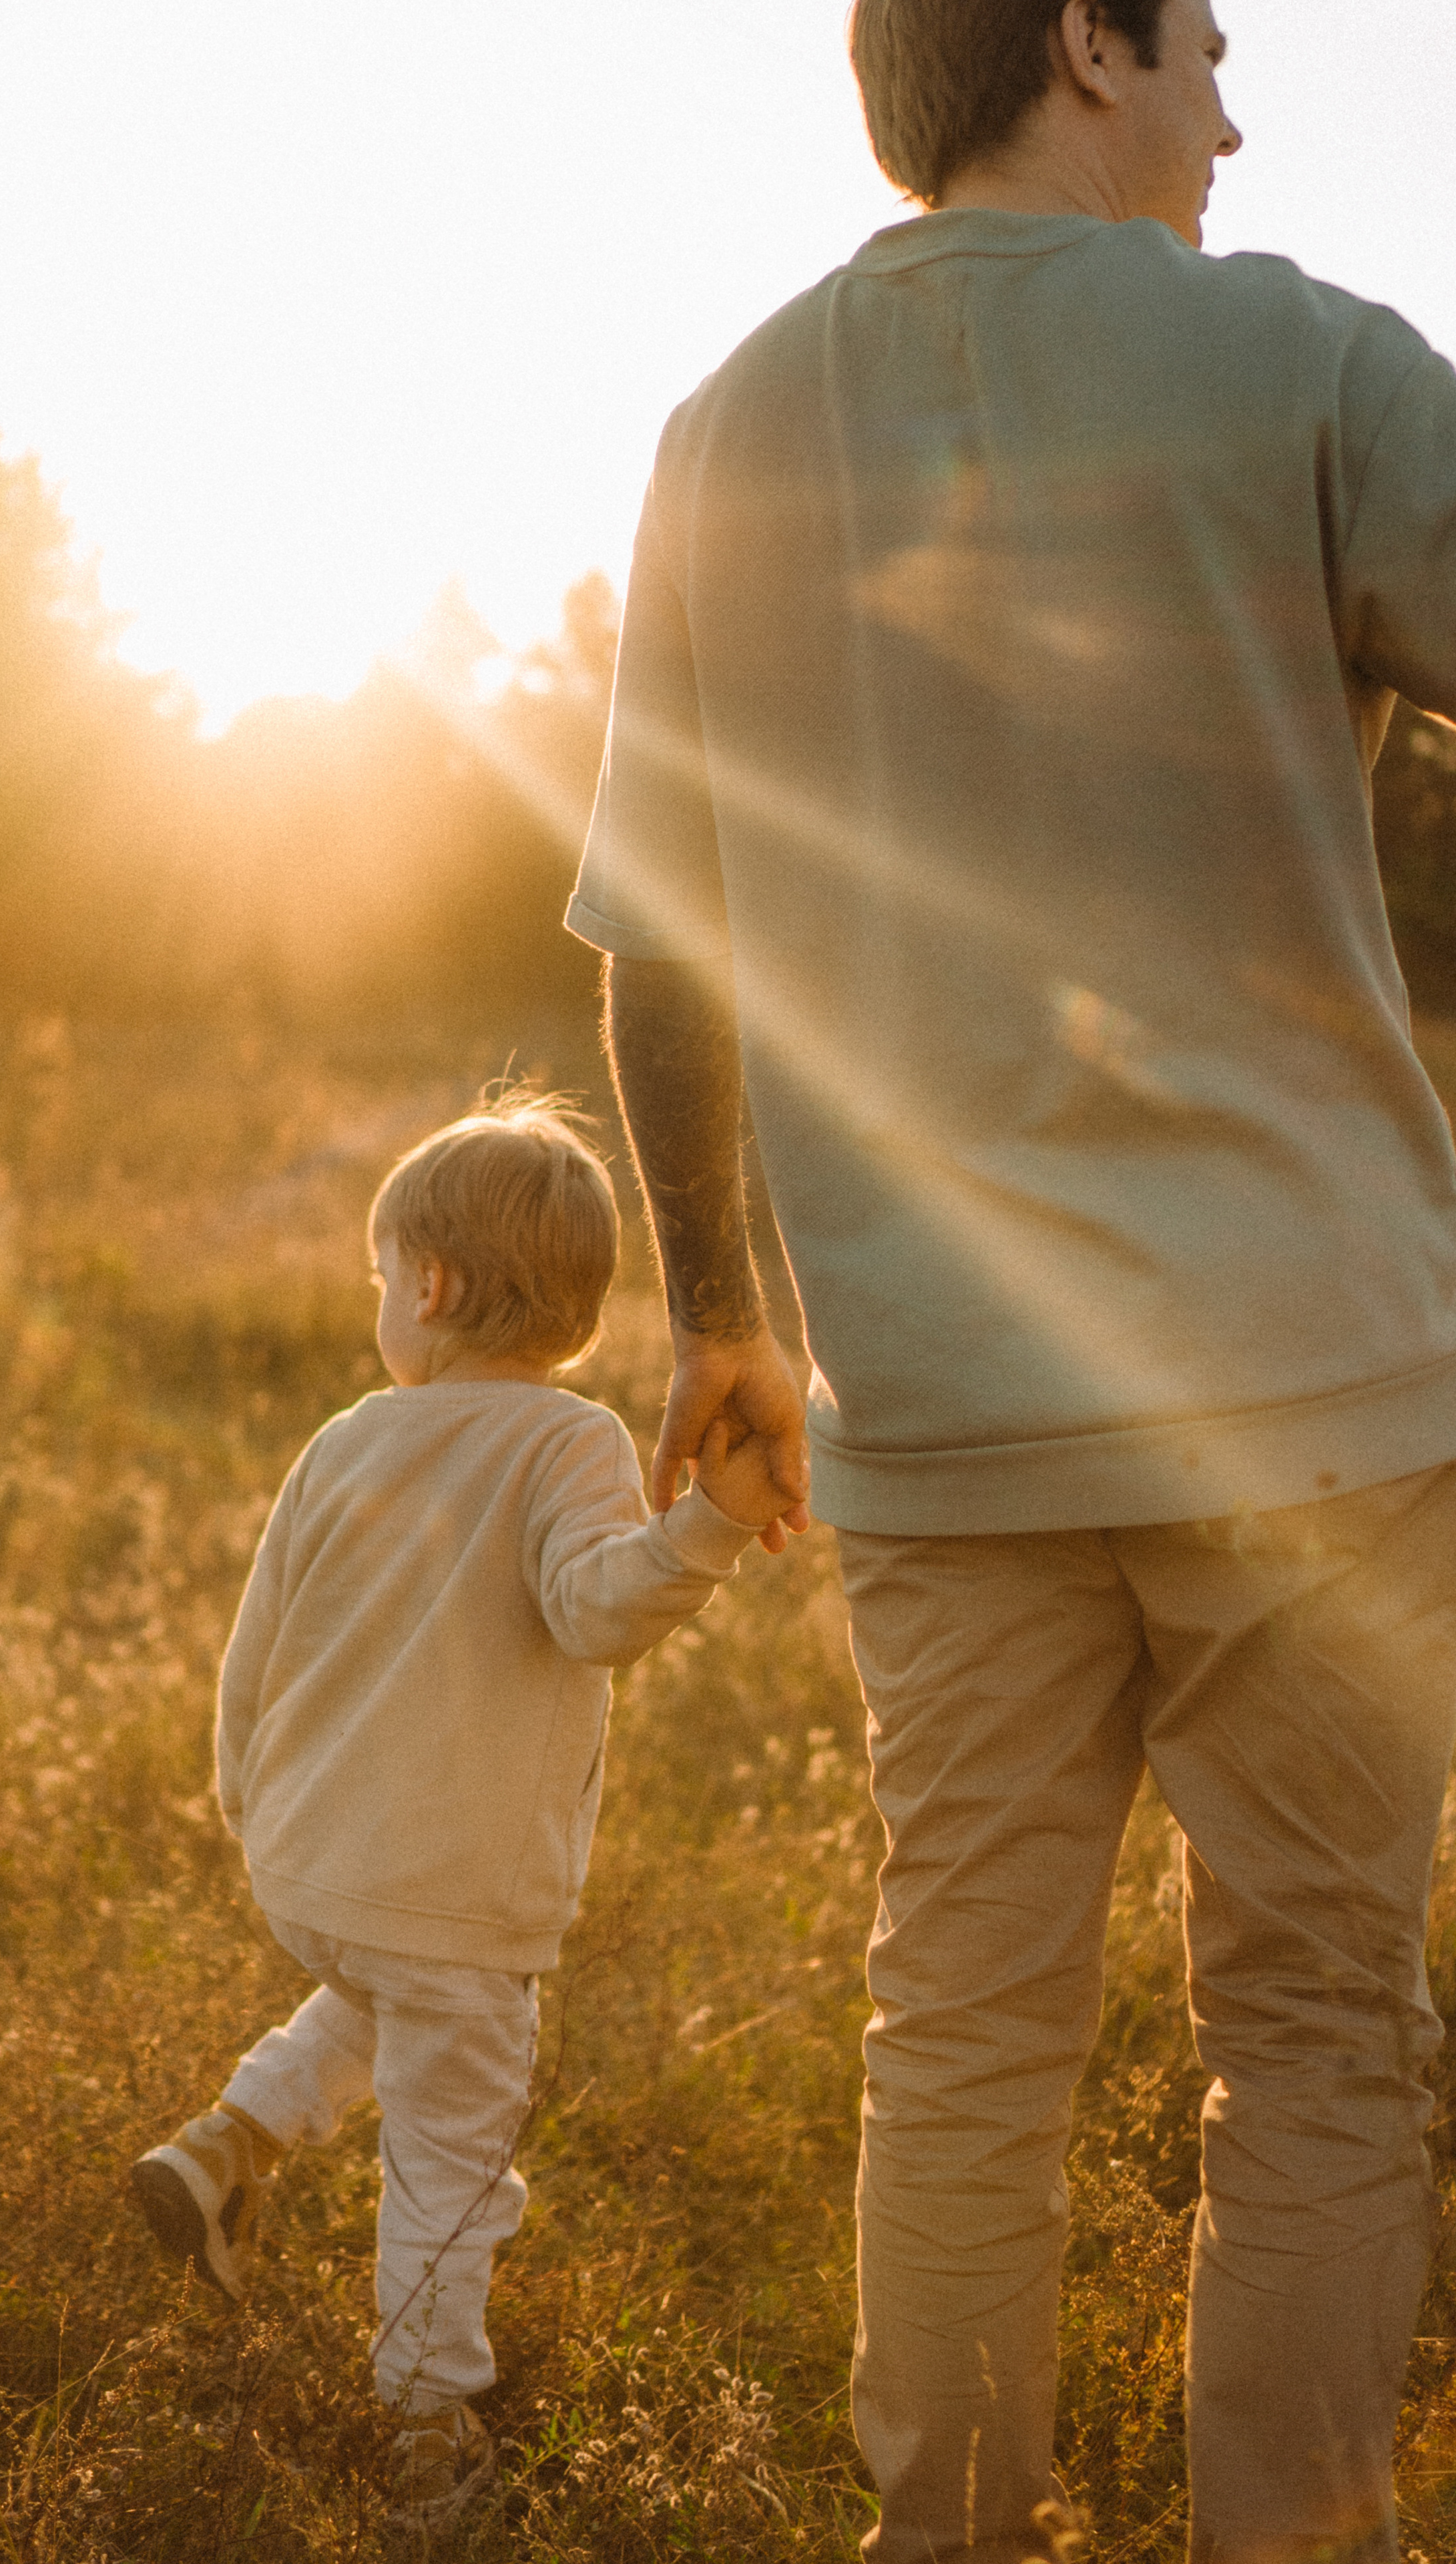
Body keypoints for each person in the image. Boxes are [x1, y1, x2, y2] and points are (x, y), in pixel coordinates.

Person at [567, 2, 1456, 2557]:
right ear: (1087, 40)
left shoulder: (727, 427)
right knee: (1308, 2029)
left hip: (941, 1421)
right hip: (1330, 1398)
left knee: (957, 2032)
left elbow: (662, 950)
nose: (1234, 114)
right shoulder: (1298, 355)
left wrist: (723, 1317)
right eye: (1205, 49)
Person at [128, 1097, 787, 2536]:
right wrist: (709, 1526)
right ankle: (426, 2422)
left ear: (426, 1286)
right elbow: (597, 1609)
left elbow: (257, 1638)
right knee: (449, 2149)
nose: (383, 1302)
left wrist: (247, 1800)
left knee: (380, 1987)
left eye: (381, 1278)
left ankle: (229, 2147)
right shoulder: (569, 1444)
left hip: (308, 1862)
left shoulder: (346, 1438)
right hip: (455, 1893)